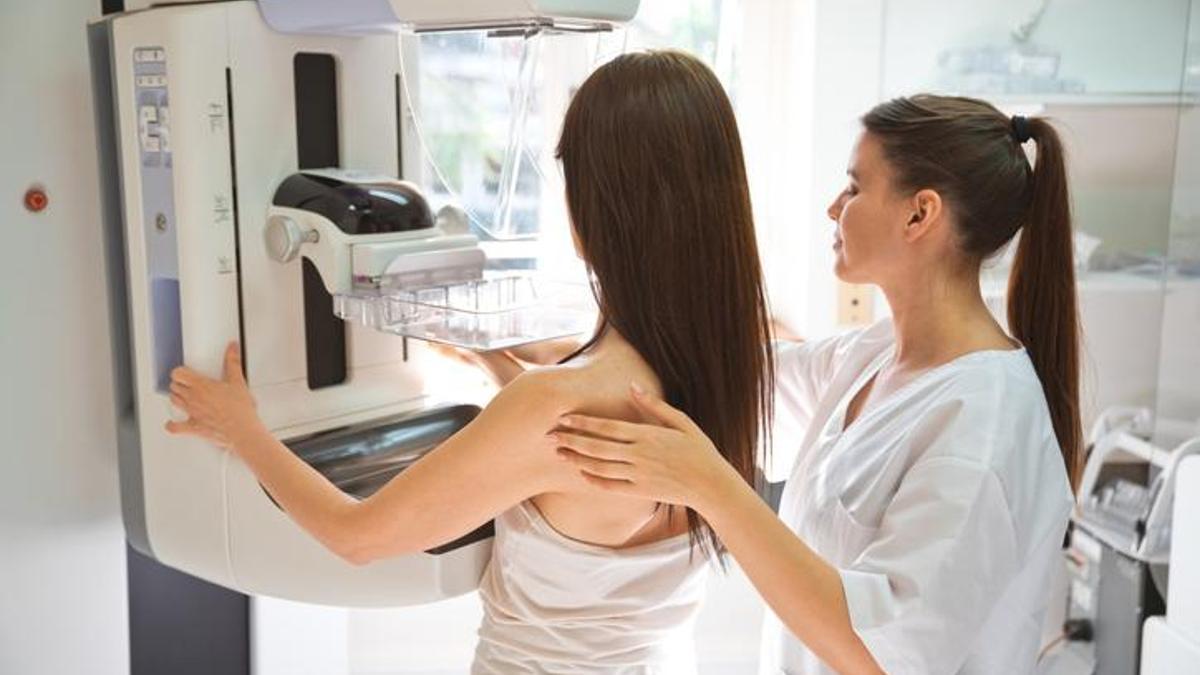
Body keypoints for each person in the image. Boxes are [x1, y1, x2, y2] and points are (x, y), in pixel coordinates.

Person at [165, 50, 775, 674]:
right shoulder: (726, 375)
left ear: (593, 214)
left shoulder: (553, 404)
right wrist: (496, 364)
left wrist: (243, 430)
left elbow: (357, 536)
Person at [554, 95, 1079, 674]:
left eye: (854, 188)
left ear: (919, 214)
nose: (834, 208)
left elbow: (881, 658)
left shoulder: (982, 428)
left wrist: (710, 485)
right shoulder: (875, 356)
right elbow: (741, 378)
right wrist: (542, 357)